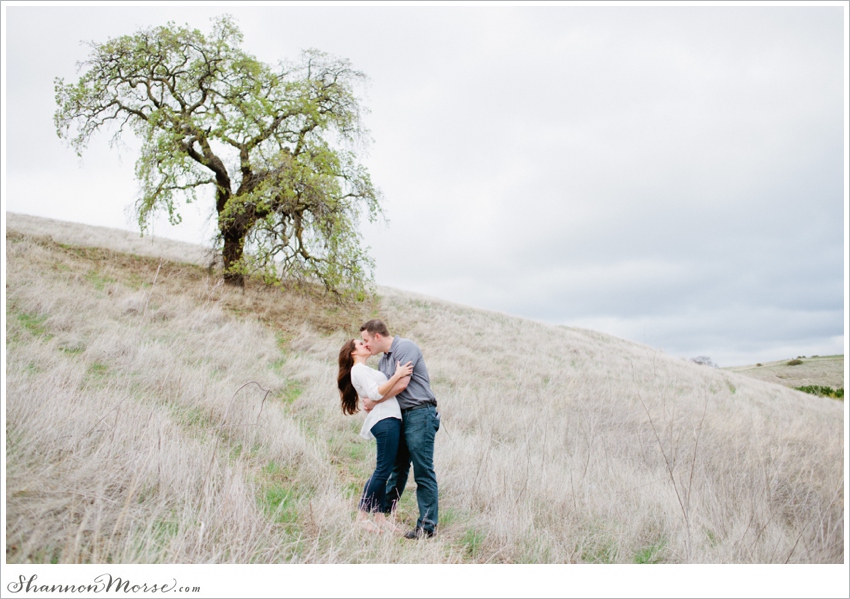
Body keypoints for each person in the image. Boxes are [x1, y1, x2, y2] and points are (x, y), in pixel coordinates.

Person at [359, 319, 440, 539]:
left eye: (367, 340)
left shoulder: (405, 347)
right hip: (400, 416)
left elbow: (402, 384)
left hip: (420, 413)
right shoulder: (383, 362)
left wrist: (374, 402)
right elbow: (384, 389)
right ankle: (383, 516)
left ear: (377, 336)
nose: (366, 345)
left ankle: (427, 527)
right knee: (398, 467)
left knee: (423, 470)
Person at [337, 338, 412, 533]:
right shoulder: (359, 369)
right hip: (385, 420)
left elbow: (375, 395)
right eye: (360, 344)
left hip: (389, 419)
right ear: (353, 352)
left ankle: (379, 517)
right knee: (382, 471)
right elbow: (375, 394)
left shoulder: (363, 370)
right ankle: (362, 517)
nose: (365, 345)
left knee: (384, 471)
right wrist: (397, 376)